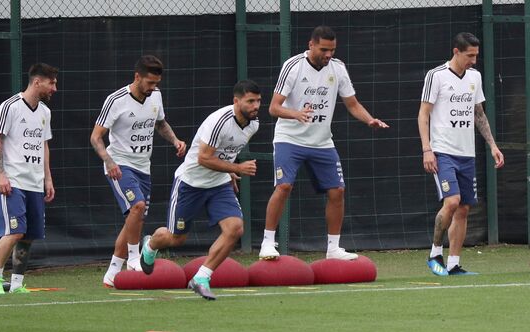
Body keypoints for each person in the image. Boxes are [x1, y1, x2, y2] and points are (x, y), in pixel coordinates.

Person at [258, 26, 389, 261]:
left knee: (337, 190)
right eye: (324, 49)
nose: (328, 54)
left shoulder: (338, 68)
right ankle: (267, 243)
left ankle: (333, 248)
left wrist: (370, 120)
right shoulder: (293, 66)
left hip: (322, 142)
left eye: (332, 50)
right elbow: (273, 108)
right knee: (284, 187)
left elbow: (352, 104)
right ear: (311, 45)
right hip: (290, 139)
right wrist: (296, 114)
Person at [139, 80, 261, 300]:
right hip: (190, 183)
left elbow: (225, 153)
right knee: (176, 239)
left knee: (235, 228)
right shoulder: (219, 121)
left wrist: (229, 172)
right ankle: (150, 244)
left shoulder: (253, 125)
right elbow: (203, 158)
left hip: (218, 184)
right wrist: (236, 168)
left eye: (258, 101)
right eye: (250, 101)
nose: (256, 106)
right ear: (236, 101)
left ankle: (202, 277)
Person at [90, 55, 186, 287]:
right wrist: (109, 161)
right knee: (138, 207)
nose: (153, 88)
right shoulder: (116, 100)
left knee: (135, 220)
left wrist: (175, 141)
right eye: (150, 83)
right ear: (137, 77)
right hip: (120, 165)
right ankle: (134, 258)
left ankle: (112, 273)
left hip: (144, 167)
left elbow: (160, 123)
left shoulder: (156, 96)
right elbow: (95, 137)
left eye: (157, 84)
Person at [418, 32, 504, 276]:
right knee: (452, 202)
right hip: (442, 151)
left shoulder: (474, 77)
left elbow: (478, 113)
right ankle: (435, 253)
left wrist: (493, 145)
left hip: (467, 153)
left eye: (476, 55)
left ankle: (454, 264)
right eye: (470, 55)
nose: (474, 60)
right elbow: (423, 114)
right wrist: (427, 149)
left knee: (464, 208)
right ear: (456, 51)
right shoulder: (436, 76)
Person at [0, 63, 59, 294]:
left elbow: (43, 145)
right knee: (14, 231)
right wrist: (0, 174)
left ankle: (16, 284)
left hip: (35, 183)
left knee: (28, 236)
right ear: (37, 82)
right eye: (52, 83)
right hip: (13, 181)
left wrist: (48, 179)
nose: (54, 88)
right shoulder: (11, 106)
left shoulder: (45, 112)